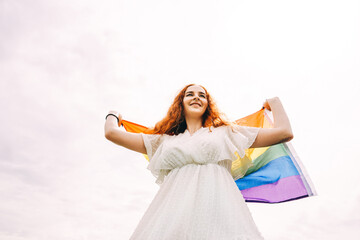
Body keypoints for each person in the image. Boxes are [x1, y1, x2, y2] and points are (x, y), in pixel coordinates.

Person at [104, 84, 293, 240]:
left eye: (202, 95)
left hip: (219, 206)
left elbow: (284, 133)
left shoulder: (227, 132)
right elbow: (112, 133)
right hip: (172, 210)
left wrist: (275, 102)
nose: (196, 97)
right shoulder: (163, 140)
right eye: (190, 94)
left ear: (207, 105)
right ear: (181, 103)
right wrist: (113, 115)